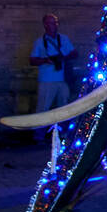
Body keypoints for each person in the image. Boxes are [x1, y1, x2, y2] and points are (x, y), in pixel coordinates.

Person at [28, 13, 76, 141]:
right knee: (43, 109)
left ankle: (63, 135)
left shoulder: (64, 39)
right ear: (45, 25)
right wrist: (45, 60)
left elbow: (74, 53)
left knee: (65, 108)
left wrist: (62, 58)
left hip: (63, 80)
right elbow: (32, 60)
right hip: (47, 80)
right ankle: (38, 137)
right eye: (51, 23)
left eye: (56, 22)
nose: (55, 25)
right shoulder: (39, 42)